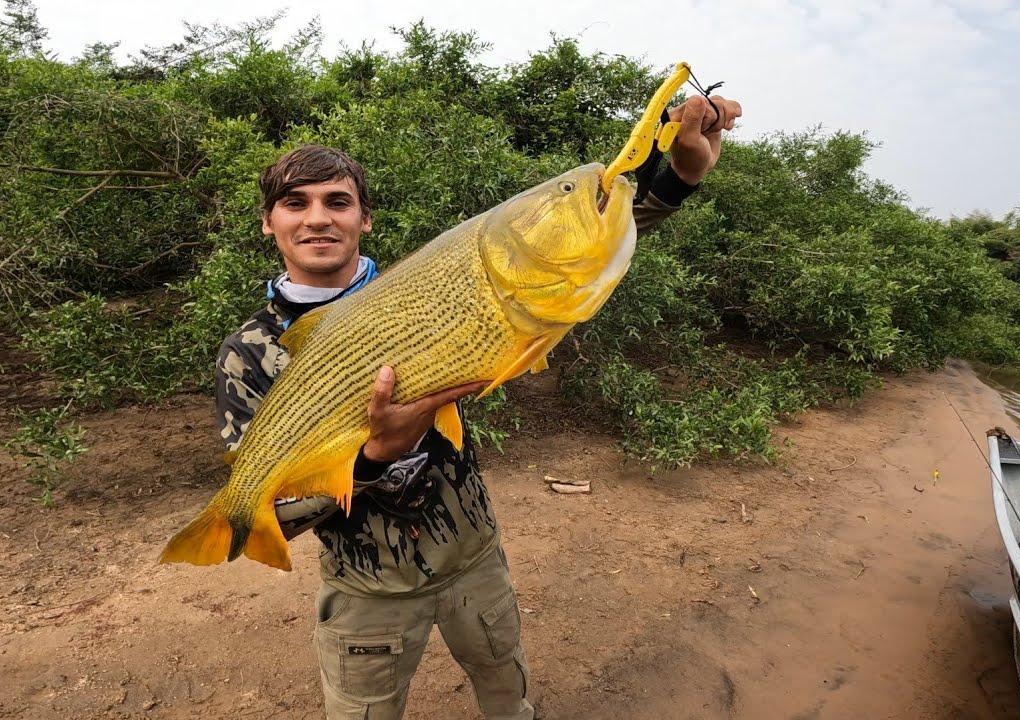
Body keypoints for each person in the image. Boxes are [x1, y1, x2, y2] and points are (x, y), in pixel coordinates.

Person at [215, 93, 742, 720]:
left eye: (338, 201)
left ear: (365, 219)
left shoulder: (424, 283)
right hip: (367, 588)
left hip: (474, 558)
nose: (317, 219)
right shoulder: (248, 353)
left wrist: (679, 172)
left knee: (508, 697)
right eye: (295, 204)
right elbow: (278, 515)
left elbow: (569, 241)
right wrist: (376, 457)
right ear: (267, 223)